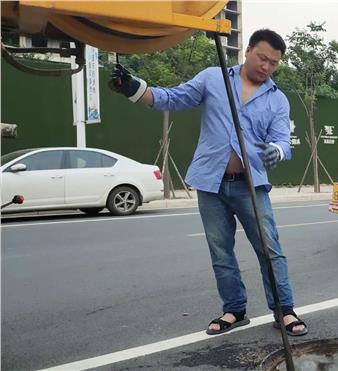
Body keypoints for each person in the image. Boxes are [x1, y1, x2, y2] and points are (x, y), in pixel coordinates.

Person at [109, 29, 307, 336]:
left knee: (270, 250)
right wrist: (134, 89)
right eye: (263, 58)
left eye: (274, 63)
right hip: (211, 183)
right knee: (220, 250)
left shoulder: (277, 99)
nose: (267, 67)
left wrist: (277, 151)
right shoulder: (214, 79)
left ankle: (284, 311)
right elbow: (171, 98)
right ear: (248, 51)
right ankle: (234, 310)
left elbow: (282, 140)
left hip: (250, 185)